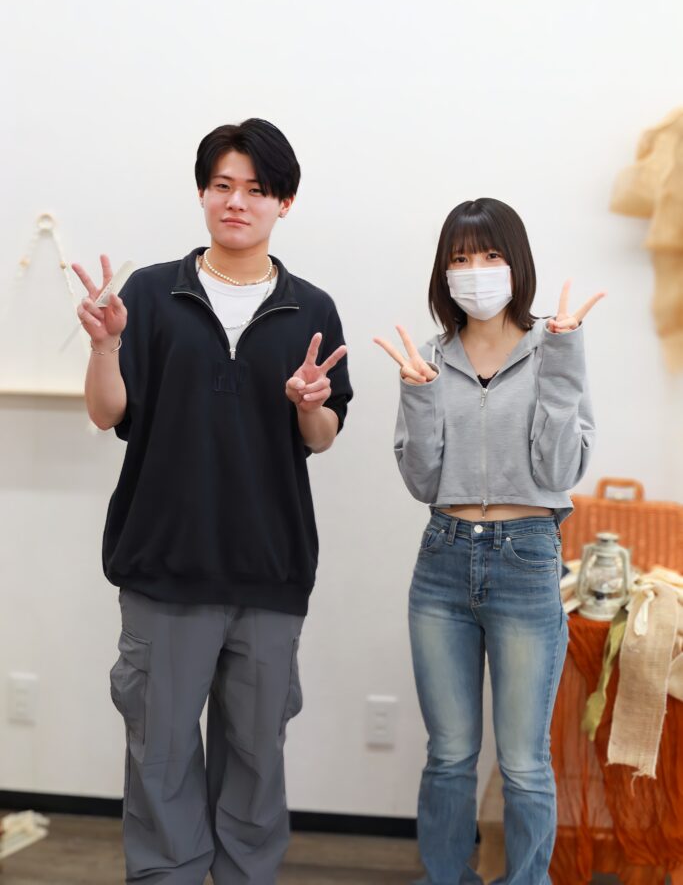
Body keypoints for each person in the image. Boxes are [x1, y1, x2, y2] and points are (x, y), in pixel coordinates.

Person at [73, 118, 352, 885]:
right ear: (202, 193)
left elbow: (323, 435)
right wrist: (104, 345)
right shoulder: (148, 295)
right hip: (164, 569)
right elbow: (108, 412)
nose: (237, 202)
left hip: (269, 572)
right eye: (223, 185)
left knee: (256, 765)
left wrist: (309, 404)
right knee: (160, 761)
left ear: (283, 203)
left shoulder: (311, 308)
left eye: (256, 190)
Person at [374, 198, 604, 885]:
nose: (475, 270)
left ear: (516, 263)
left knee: (523, 761)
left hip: (525, 557)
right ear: (444, 273)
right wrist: (418, 395)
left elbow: (558, 473)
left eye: (490, 255)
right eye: (460, 258)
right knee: (448, 754)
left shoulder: (552, 347)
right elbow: (422, 481)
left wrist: (562, 362)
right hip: (441, 560)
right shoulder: (430, 358)